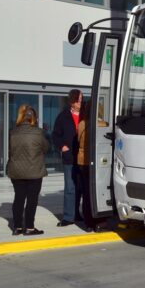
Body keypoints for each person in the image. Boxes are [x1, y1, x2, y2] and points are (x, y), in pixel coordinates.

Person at [7, 105, 49, 236]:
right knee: (32, 199)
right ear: (34, 118)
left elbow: (10, 150)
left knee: (18, 198)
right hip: (34, 171)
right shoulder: (39, 132)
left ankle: (17, 227)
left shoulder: (13, 132)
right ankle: (29, 227)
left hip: (16, 171)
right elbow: (46, 148)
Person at [52, 89, 82, 226]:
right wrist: (62, 146)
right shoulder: (63, 116)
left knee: (81, 187)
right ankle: (68, 217)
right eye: (78, 99)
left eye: (81, 98)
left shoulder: (86, 116)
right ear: (72, 101)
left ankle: (77, 213)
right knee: (70, 188)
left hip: (83, 158)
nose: (81, 101)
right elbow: (55, 135)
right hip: (69, 158)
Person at [77, 100, 96, 232]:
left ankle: (88, 222)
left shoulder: (82, 124)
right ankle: (99, 220)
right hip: (97, 163)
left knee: (86, 191)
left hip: (83, 161)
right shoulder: (102, 124)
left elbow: (79, 141)